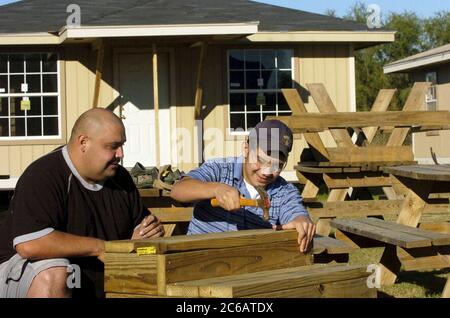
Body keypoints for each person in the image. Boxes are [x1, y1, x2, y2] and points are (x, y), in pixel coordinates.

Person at [0, 108, 164, 298]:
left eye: (122, 145)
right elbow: (30, 243)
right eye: (112, 146)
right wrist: (100, 247)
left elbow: (141, 234)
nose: (121, 153)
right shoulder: (43, 175)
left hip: (95, 282)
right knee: (55, 273)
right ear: (83, 143)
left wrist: (147, 236)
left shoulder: (121, 179)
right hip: (21, 274)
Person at [171, 120, 315, 252]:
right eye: (261, 160)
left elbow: (296, 214)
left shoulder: (285, 192)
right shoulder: (219, 169)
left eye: (277, 166)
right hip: (196, 262)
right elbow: (178, 190)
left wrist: (301, 222)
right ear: (246, 148)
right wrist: (216, 189)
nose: (267, 172)